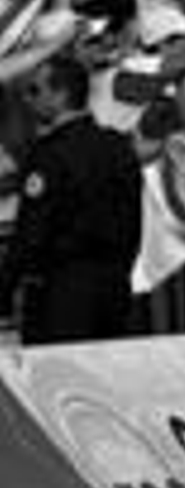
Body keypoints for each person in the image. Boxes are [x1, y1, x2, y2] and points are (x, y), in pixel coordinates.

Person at [1, 54, 142, 344]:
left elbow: (31, 233)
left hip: (61, 295)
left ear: (60, 95)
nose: (28, 99)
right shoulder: (118, 147)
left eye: (35, 90)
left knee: (57, 372)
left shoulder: (49, 155)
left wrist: (5, 289)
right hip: (114, 291)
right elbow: (134, 222)